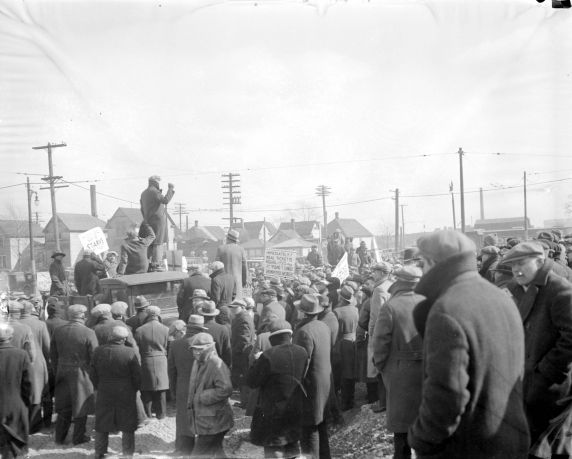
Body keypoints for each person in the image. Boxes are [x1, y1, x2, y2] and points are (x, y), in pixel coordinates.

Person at [408, 230, 530, 458]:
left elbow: (446, 395)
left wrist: (420, 439)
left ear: (434, 263)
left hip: (470, 446)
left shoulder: (446, 310)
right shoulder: (500, 297)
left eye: (422, 262)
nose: (421, 270)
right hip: (510, 438)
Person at [503, 241, 572, 449]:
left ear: (540, 261)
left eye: (522, 263)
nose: (516, 269)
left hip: (551, 386)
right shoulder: (516, 289)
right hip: (527, 381)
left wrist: (546, 371)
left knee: (552, 444)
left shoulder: (558, 289)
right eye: (513, 265)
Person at [372, 265, 424, 459]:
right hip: (426, 372)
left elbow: (380, 344)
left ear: (398, 281)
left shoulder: (391, 307)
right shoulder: (428, 302)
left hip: (400, 373)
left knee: (402, 429)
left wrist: (381, 366)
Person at [248, 319, 309, 459]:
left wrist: (256, 361)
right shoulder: (302, 352)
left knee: (273, 446)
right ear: (290, 335)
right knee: (292, 442)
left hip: (272, 410)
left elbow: (252, 382)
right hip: (296, 407)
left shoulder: (268, 355)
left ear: (272, 337)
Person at [91, 326, 141, 459]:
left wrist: (98, 387)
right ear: (124, 339)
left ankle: (100, 453)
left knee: (102, 422)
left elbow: (92, 374)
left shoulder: (98, 351)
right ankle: (127, 454)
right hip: (125, 391)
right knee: (127, 423)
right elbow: (137, 376)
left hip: (104, 390)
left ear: (110, 337)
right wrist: (134, 389)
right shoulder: (130, 352)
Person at [51, 304, 98, 445]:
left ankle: (59, 438)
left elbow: (53, 355)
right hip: (81, 373)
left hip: (62, 372)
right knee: (80, 405)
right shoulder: (88, 332)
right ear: (83, 316)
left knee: (64, 407)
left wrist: (57, 370)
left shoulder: (57, 331)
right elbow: (94, 357)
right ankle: (78, 438)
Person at [292, 294, 332, 459]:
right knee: (320, 426)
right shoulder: (323, 326)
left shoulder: (303, 332)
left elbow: (302, 364)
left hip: (309, 386)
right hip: (324, 383)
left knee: (309, 430)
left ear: (302, 312)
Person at [187, 332, 234, 458]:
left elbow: (226, 388)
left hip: (214, 421)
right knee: (217, 451)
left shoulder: (216, 364)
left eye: (200, 350)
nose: (196, 353)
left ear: (209, 348)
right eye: (194, 350)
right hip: (207, 420)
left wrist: (202, 397)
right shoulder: (198, 362)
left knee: (198, 455)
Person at [168, 315, 208, 455]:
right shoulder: (207, 344)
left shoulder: (175, 344)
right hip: (203, 386)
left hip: (183, 386)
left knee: (183, 418)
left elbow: (171, 371)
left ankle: (183, 448)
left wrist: (173, 390)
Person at [0, 322, 33, 459]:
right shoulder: (21, 355)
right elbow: (28, 384)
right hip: (15, 403)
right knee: (14, 442)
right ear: (11, 337)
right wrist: (26, 402)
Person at [18, 300, 50, 434]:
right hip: (37, 362)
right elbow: (47, 346)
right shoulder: (40, 324)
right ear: (32, 309)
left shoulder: (14, 324)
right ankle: (38, 424)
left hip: (18, 364)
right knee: (38, 393)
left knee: (22, 392)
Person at [134, 305, 169, 420]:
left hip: (146, 359)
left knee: (146, 388)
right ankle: (161, 413)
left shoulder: (139, 330)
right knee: (161, 387)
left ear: (147, 315)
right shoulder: (166, 329)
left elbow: (137, 347)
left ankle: (148, 414)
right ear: (158, 315)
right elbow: (167, 346)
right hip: (161, 360)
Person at [367, 262, 393, 413]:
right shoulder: (390, 285)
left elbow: (376, 316)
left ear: (382, 273)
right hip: (389, 330)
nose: (373, 274)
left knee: (379, 366)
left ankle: (383, 402)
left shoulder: (379, 290)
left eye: (375, 271)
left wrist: (373, 336)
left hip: (378, 333)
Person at [333, 286, 359, 411]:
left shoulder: (337, 311)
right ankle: (350, 399)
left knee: (342, 372)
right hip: (353, 341)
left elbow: (334, 331)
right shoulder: (355, 309)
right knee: (350, 372)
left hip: (342, 343)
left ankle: (344, 402)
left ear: (341, 298)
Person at [140, 175, 175, 266]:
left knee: (149, 242)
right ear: (156, 182)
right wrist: (170, 188)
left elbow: (142, 209)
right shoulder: (155, 192)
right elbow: (165, 200)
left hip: (148, 220)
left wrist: (146, 218)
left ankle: (147, 264)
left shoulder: (144, 193)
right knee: (158, 242)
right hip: (158, 221)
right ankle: (156, 264)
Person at [228, 298, 256, 408]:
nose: (233, 310)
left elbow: (244, 339)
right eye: (232, 308)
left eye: (235, 308)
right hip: (241, 353)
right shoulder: (240, 317)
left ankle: (246, 403)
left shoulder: (243, 318)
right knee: (242, 378)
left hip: (242, 354)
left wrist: (235, 351)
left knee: (243, 378)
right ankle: (245, 402)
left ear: (242, 307)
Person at [216, 229, 249, 299]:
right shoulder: (241, 249)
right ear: (236, 241)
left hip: (223, 282)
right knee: (237, 304)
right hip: (237, 282)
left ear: (227, 239)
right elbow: (244, 267)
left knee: (224, 304)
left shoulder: (220, 248)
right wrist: (244, 281)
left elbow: (216, 267)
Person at [198, 300, 232, 369]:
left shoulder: (198, 329)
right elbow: (227, 353)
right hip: (218, 367)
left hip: (201, 367)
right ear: (215, 315)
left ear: (201, 314)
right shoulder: (223, 329)